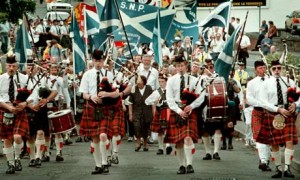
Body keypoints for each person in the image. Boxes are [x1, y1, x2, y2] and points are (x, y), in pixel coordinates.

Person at [79, 49, 120, 174]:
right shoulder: (87, 74)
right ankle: (98, 165)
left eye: (100, 61)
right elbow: (84, 93)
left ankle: (104, 162)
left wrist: (107, 94)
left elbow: (117, 93)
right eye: (96, 61)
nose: (98, 64)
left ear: (103, 61)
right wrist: (92, 97)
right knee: (95, 138)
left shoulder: (109, 74)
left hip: (105, 107)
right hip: (92, 106)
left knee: (103, 135)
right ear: (92, 61)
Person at [258, 60, 299, 178]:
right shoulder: (266, 83)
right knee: (274, 143)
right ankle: (278, 168)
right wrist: (277, 110)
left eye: (279, 68)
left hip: (287, 113)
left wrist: (295, 104)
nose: (277, 70)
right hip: (273, 113)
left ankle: (287, 168)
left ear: (282, 69)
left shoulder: (289, 81)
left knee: (289, 141)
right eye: (274, 68)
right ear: (270, 70)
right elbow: (262, 101)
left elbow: (299, 96)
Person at [165, 55, 205, 174]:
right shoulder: (171, 81)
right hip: (177, 110)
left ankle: (189, 164)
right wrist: (179, 111)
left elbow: (201, 96)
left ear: (186, 66)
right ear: (175, 67)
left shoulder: (194, 80)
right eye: (178, 66)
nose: (180, 68)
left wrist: (191, 106)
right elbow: (169, 99)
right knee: (179, 142)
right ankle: (181, 165)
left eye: (182, 65)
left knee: (188, 138)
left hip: (189, 111)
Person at [0, 55, 29, 174]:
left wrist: (25, 103)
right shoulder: (1, 79)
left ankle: (17, 158)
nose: (11, 68)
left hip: (19, 110)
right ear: (6, 66)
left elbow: (33, 93)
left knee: (17, 137)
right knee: (7, 139)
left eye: (14, 66)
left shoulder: (24, 78)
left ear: (17, 66)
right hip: (5, 108)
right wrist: (8, 107)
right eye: (9, 66)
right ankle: (11, 164)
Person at [246, 60, 271, 172]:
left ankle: (266, 160)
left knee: (268, 138)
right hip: (257, 111)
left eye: (264, 68)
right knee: (258, 136)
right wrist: (261, 103)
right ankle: (263, 160)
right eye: (260, 68)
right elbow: (249, 99)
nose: (263, 70)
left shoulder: (271, 81)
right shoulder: (251, 83)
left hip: (269, 112)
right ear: (256, 70)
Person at [145, 73, 173, 155]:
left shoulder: (170, 91)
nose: (161, 83)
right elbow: (146, 101)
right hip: (160, 111)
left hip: (168, 111)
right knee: (160, 131)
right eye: (159, 81)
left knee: (167, 129)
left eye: (163, 81)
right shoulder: (157, 92)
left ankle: (168, 146)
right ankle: (160, 148)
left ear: (166, 82)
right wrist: (154, 101)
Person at [128, 75, 153, 151]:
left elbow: (152, 100)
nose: (138, 83)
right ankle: (138, 143)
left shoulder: (149, 88)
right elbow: (130, 102)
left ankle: (145, 143)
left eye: (140, 81)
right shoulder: (134, 89)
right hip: (137, 111)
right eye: (137, 81)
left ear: (143, 82)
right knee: (137, 126)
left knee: (146, 127)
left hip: (147, 111)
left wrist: (154, 110)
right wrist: (130, 114)